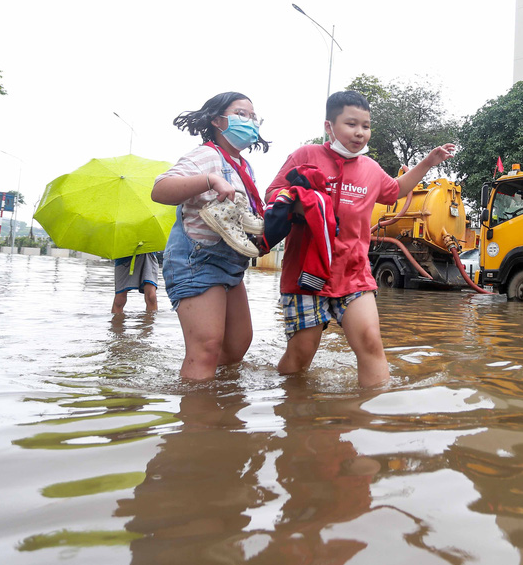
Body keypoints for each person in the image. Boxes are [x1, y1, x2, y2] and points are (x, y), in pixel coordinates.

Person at [265, 90, 455, 388]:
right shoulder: (306, 155)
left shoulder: (370, 168)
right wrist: (302, 204)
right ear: (329, 126)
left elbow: (396, 190)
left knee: (370, 342)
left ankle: (372, 416)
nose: (359, 133)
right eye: (351, 124)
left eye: (365, 126)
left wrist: (428, 163)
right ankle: (292, 414)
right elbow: (273, 194)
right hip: (306, 273)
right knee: (301, 354)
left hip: (354, 273)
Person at [150, 92, 270, 380]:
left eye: (254, 117)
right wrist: (209, 180)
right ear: (218, 120)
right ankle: (196, 420)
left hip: (230, 263)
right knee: (205, 347)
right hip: (197, 260)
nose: (250, 121)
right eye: (242, 114)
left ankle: (221, 413)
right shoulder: (207, 155)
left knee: (237, 345)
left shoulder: (243, 166)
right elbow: (160, 189)